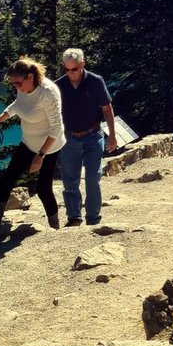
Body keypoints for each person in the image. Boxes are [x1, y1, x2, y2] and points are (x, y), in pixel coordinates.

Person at [0, 56, 66, 231]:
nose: (16, 87)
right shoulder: (23, 88)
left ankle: (56, 230)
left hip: (49, 147)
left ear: (30, 77)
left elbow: (56, 128)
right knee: (7, 180)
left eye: (18, 83)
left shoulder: (48, 93)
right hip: (28, 142)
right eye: (13, 84)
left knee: (44, 189)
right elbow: (16, 106)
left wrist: (40, 156)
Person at [57, 47, 117, 227]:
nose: (70, 73)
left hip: (93, 135)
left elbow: (107, 108)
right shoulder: (58, 85)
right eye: (66, 69)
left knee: (93, 177)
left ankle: (93, 217)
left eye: (73, 69)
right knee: (70, 179)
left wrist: (112, 136)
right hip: (69, 137)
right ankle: (74, 217)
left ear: (82, 65)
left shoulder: (96, 81)